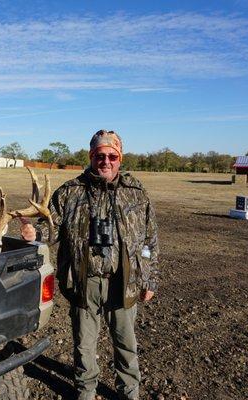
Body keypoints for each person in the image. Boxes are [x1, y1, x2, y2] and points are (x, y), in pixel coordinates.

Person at [21, 130, 159, 400]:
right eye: (100, 155)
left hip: (124, 282)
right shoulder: (69, 192)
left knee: (126, 344)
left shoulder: (136, 193)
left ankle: (129, 393)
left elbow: (150, 241)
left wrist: (149, 280)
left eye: (112, 156)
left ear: (120, 157)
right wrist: (33, 235)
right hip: (84, 282)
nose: (105, 161)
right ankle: (85, 392)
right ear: (91, 156)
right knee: (84, 346)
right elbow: (51, 230)